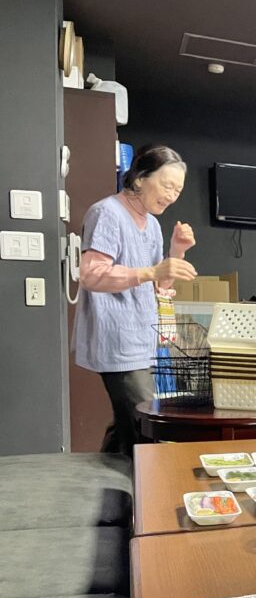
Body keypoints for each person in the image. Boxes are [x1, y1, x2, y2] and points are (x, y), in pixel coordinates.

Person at [74, 144, 198, 456]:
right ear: (140, 178)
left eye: (178, 190)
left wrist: (177, 251)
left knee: (129, 425)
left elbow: (159, 284)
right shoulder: (107, 213)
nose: (172, 196)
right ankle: (143, 484)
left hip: (143, 338)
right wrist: (153, 270)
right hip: (118, 339)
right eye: (167, 185)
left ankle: (109, 481)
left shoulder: (152, 224)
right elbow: (91, 275)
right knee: (145, 426)